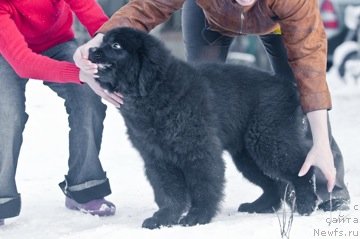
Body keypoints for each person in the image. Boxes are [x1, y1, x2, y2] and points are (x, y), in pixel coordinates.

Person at [74, 0, 350, 211]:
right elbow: (147, 7)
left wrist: (321, 143)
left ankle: (330, 187)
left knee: (294, 98)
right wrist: (98, 41)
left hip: (276, 22)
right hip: (212, 19)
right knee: (196, 101)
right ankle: (197, 191)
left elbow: (310, 77)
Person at [0, 0, 124, 226]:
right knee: (6, 113)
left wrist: (117, 56)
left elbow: (96, 20)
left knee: (87, 96)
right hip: (6, 51)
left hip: (57, 42)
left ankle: (84, 186)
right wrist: (77, 74)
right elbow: (23, 62)